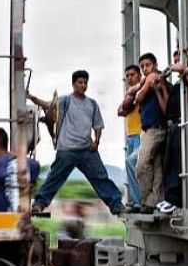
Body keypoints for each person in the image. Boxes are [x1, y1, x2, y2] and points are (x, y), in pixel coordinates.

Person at [29, 70, 124, 215]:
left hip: (87, 149)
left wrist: (96, 142)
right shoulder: (64, 101)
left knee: (100, 178)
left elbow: (98, 125)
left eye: (85, 83)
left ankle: (117, 205)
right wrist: (31, 97)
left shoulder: (92, 104)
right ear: (73, 84)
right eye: (80, 82)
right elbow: (48, 105)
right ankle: (39, 204)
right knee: (54, 178)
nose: (83, 85)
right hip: (66, 149)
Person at [159, 48, 188, 213]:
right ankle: (170, 199)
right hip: (173, 127)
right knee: (170, 164)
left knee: (182, 165)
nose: (177, 61)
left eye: (182, 58)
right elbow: (168, 110)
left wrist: (187, 75)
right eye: (175, 59)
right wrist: (161, 88)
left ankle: (174, 200)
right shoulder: (177, 85)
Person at [132, 53, 169, 214]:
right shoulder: (147, 81)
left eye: (148, 65)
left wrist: (145, 83)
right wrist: (143, 83)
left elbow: (138, 98)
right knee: (157, 168)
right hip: (148, 128)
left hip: (156, 128)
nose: (145, 69)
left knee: (141, 166)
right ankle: (157, 201)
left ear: (155, 65)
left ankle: (147, 202)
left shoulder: (156, 79)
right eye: (142, 66)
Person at [117, 64, 143, 213]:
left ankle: (139, 202)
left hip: (141, 134)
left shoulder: (141, 89)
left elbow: (126, 108)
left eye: (132, 75)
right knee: (132, 168)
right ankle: (135, 201)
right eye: (127, 76)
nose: (129, 78)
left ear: (139, 75)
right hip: (131, 136)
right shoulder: (129, 93)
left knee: (135, 164)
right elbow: (120, 111)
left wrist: (129, 101)